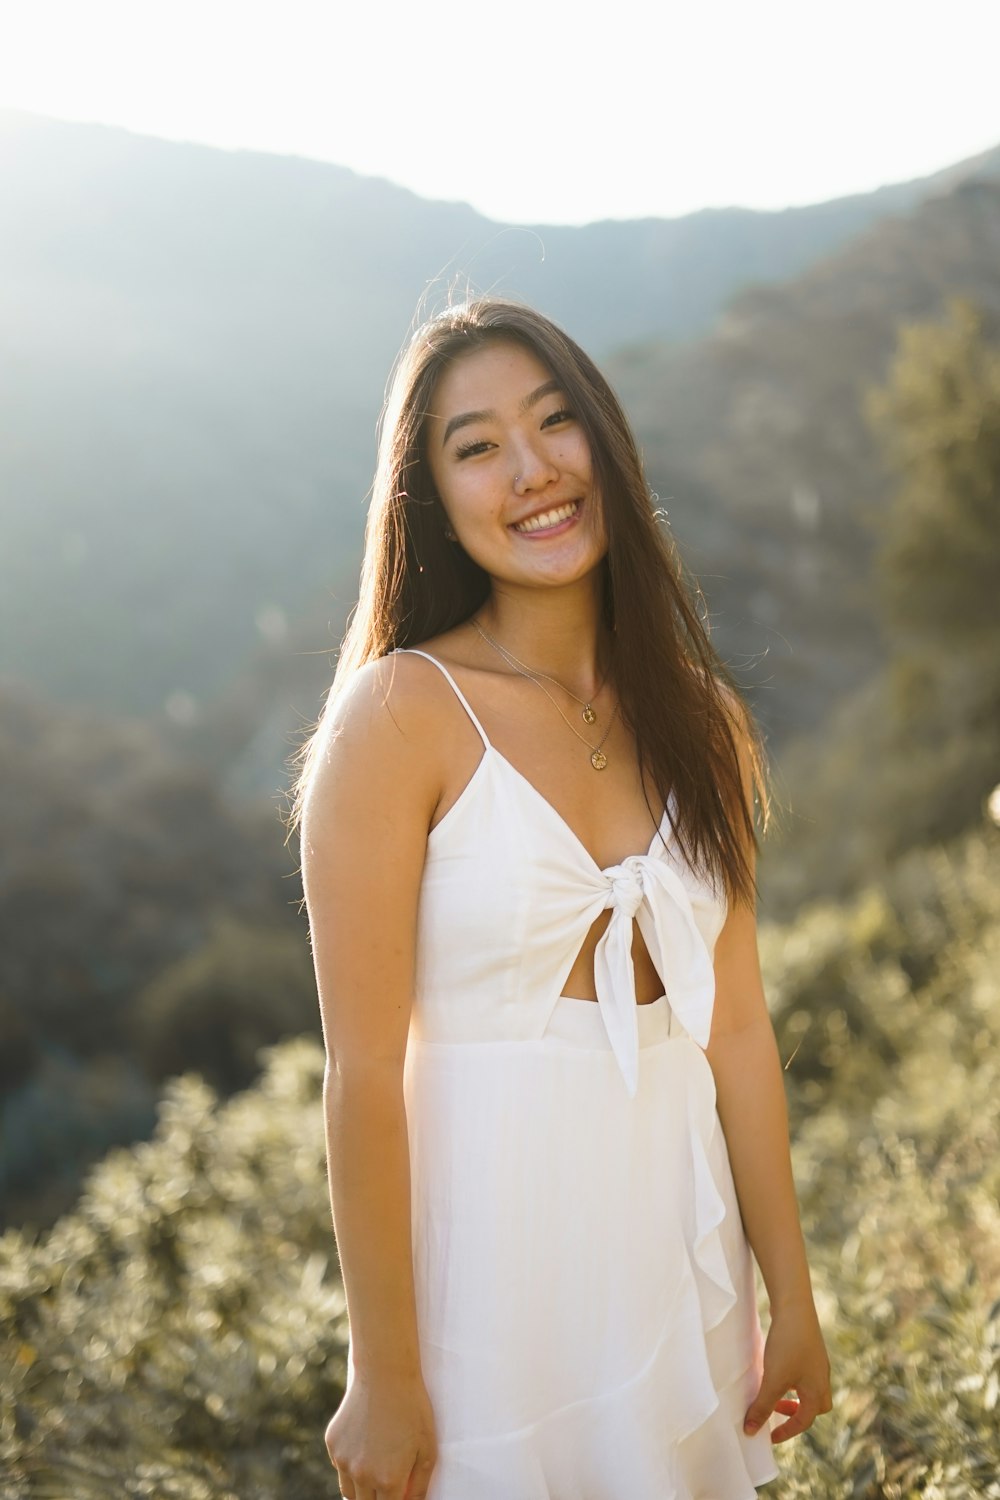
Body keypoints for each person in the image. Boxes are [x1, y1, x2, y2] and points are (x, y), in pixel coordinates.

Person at [287, 295, 832, 1500]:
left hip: (670, 1265)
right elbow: (364, 1072)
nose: (531, 471)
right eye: (475, 447)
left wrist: (789, 1295)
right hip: (486, 1284)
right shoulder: (398, 717)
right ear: (430, 496)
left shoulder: (706, 720)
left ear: (604, 437)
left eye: (553, 423)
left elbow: (735, 1032)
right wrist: (381, 1373)